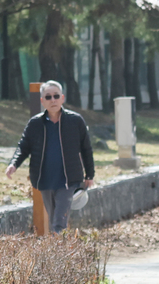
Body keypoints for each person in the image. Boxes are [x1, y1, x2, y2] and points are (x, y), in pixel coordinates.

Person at [5, 79, 95, 233]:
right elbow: (23, 146)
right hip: (45, 179)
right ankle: (59, 251)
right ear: (42, 101)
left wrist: (90, 174)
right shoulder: (35, 124)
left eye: (56, 96)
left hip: (68, 180)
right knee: (54, 217)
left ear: (62, 98)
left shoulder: (75, 121)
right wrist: (14, 164)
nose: (52, 100)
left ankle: (58, 252)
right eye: (48, 97)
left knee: (59, 221)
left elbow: (86, 149)